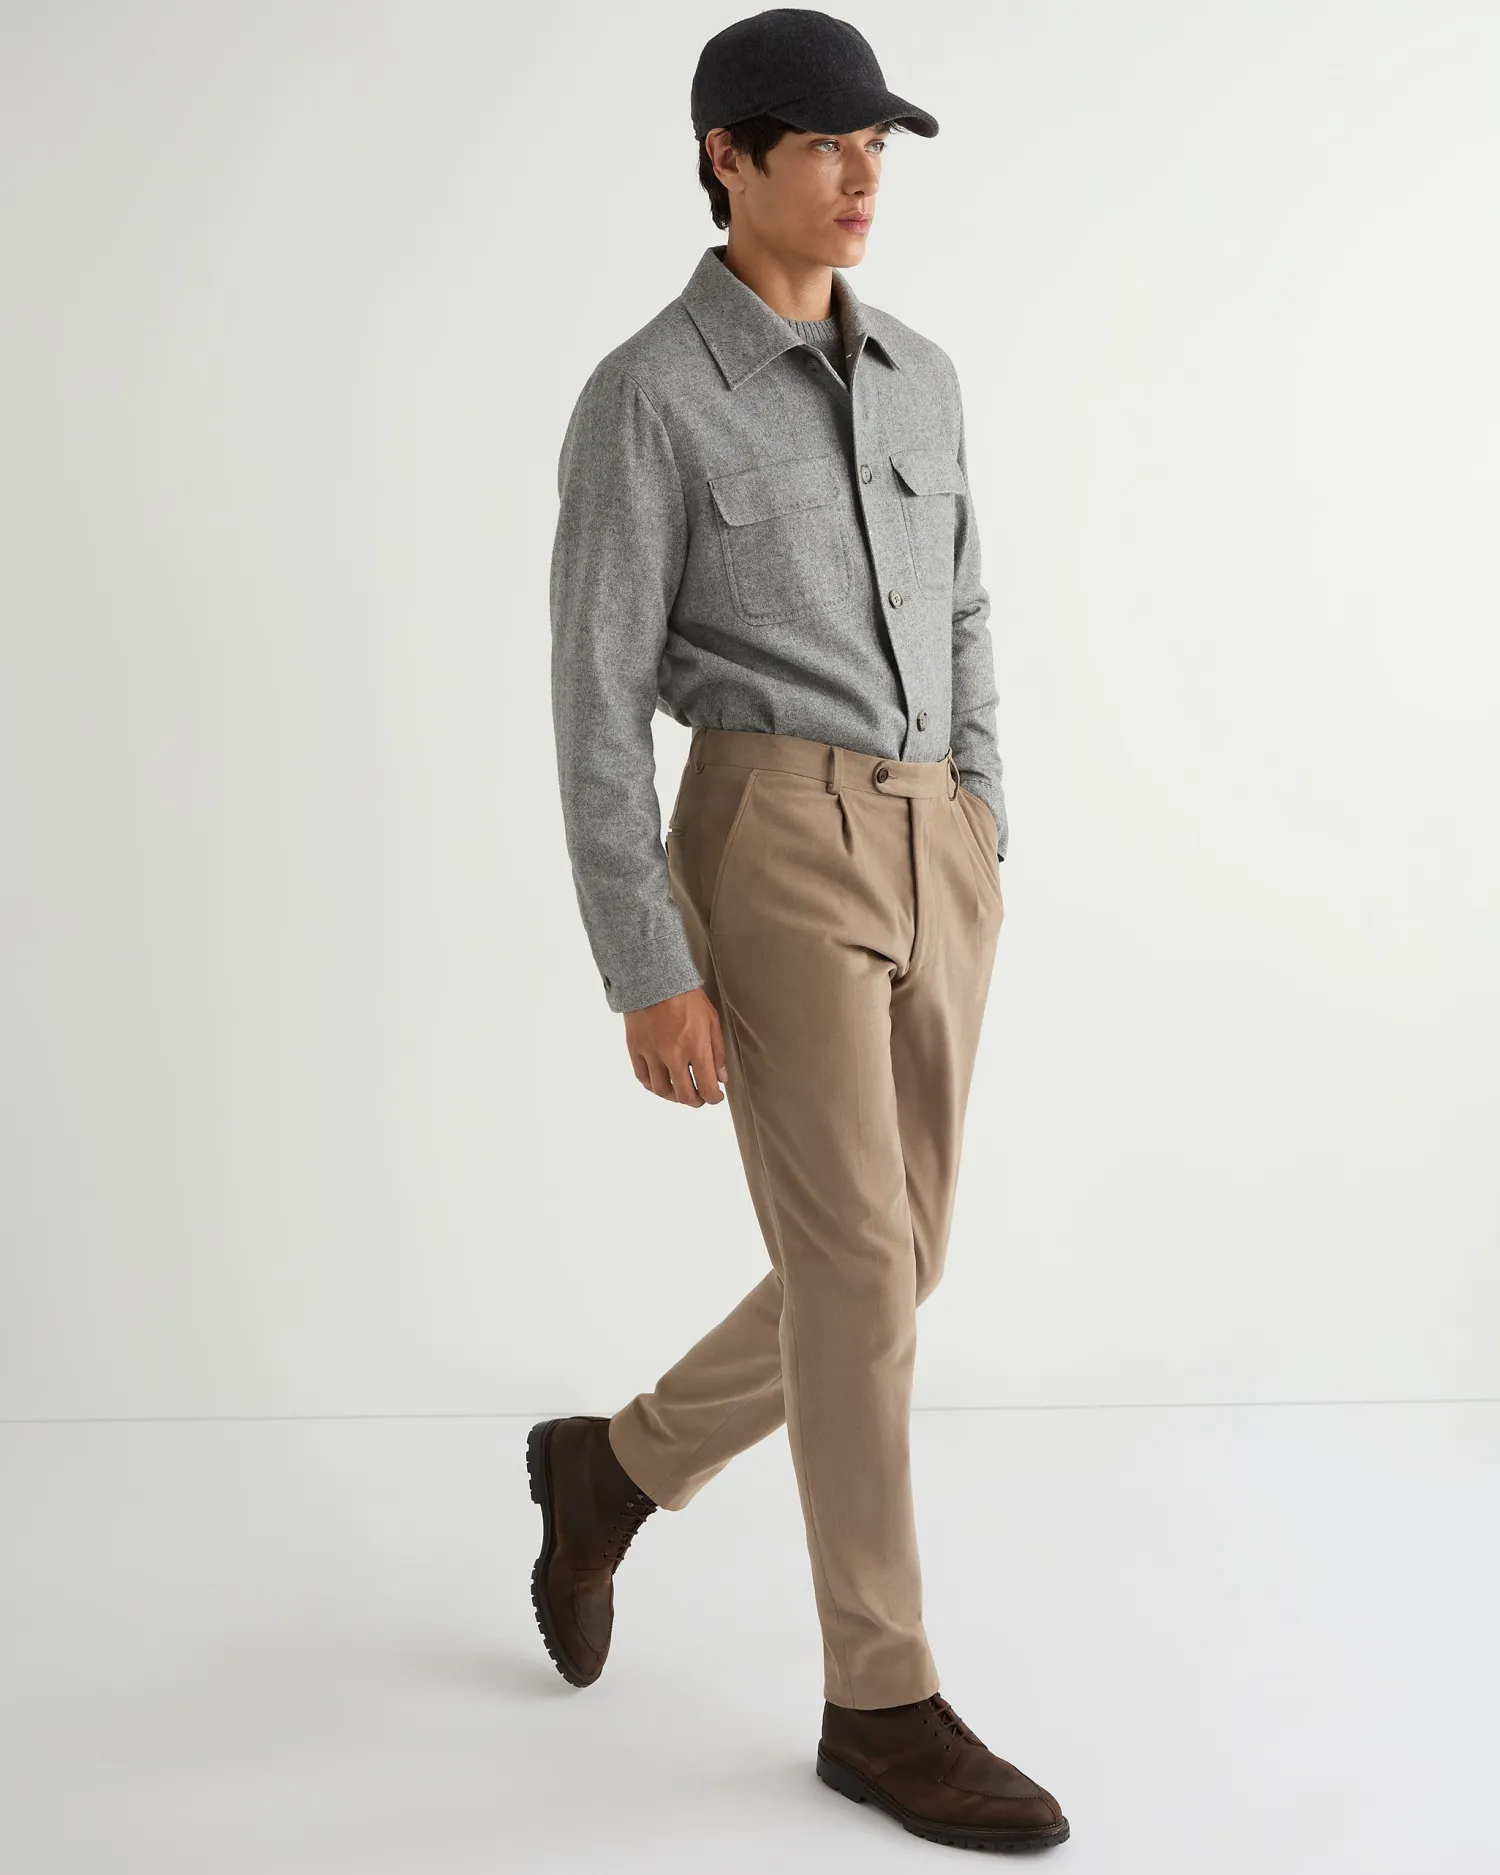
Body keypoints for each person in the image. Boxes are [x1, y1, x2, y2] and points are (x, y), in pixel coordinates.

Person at [533, 8, 1069, 1852]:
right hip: (769, 841)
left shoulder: (924, 375)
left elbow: (969, 605)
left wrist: (981, 809)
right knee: (855, 1275)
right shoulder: (647, 396)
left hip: (936, 843)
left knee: (896, 1265)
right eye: (827, 145)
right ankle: (881, 1698)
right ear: (726, 156)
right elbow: (594, 699)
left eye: (877, 149)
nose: (861, 180)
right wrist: (648, 963)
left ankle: (613, 1468)